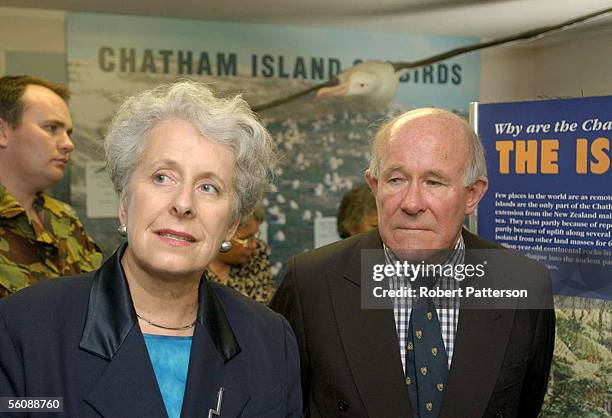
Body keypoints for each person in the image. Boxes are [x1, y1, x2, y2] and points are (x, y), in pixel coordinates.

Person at [0, 81, 301, 417]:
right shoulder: (24, 329)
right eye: (162, 178)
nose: (183, 204)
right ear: (125, 202)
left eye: (208, 187)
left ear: (231, 224)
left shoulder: (270, 340)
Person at [270, 108, 555, 418]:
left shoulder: (522, 284)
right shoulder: (311, 283)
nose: (412, 203)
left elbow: (525, 401)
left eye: (434, 182)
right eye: (396, 179)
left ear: (472, 194)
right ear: (374, 185)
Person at [0, 75, 102, 298]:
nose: (68, 144)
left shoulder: (64, 219)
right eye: (52, 128)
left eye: (69, 133)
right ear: (3, 131)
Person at [206, 205, 276, 303]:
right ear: (221, 235)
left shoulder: (257, 253)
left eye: (255, 236)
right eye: (245, 239)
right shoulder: (193, 269)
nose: (253, 245)